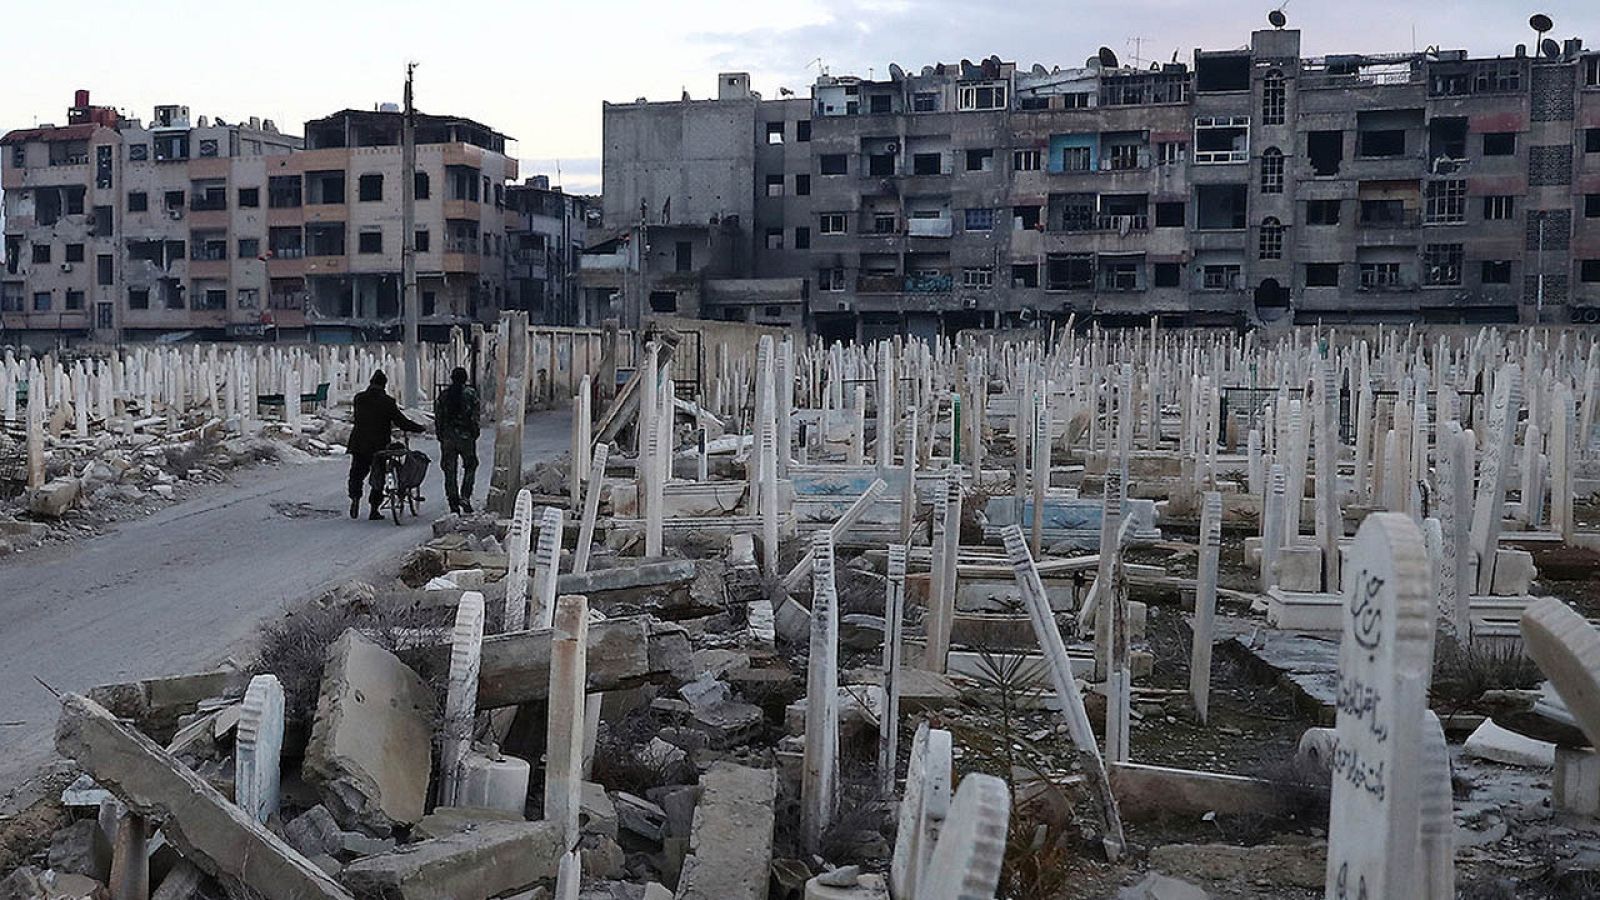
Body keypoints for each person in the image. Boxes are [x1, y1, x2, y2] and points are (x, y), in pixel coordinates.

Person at [347, 371, 426, 520]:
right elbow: (401, 421)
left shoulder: (359, 399)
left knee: (357, 473)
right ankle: (374, 509)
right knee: (378, 476)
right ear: (384, 385)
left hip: (359, 443)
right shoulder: (387, 402)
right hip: (379, 445)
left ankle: (355, 497)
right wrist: (418, 428)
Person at [435, 366, 482, 513]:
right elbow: (474, 417)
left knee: (449, 470)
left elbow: (438, 418)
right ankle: (465, 496)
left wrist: (440, 435)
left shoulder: (444, 395)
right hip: (465, 437)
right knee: (470, 465)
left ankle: (453, 502)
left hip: (448, 438)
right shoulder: (470, 394)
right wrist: (474, 433)